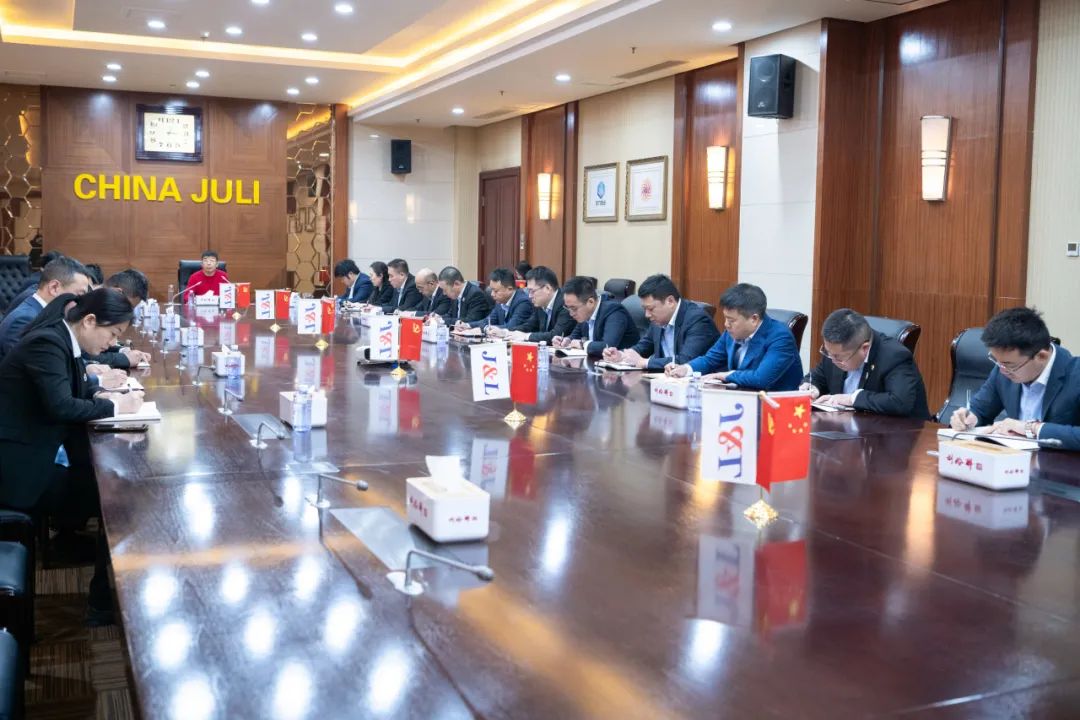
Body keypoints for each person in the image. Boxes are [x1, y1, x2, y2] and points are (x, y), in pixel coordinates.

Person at [0, 289, 144, 624]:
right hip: (17, 470)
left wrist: (102, 392)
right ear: (90, 321)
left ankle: (99, 590)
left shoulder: (63, 340)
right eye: (113, 334)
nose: (112, 344)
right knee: (117, 499)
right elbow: (61, 405)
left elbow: (73, 389)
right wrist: (114, 406)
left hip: (35, 453)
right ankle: (102, 602)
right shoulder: (48, 342)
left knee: (111, 485)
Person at [950, 307, 1080, 449]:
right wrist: (969, 418)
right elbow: (981, 409)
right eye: (996, 360)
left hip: (1058, 461)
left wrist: (1031, 428)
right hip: (1011, 458)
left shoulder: (1075, 374)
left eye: (1009, 365)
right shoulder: (1004, 367)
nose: (1002, 369)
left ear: (1041, 356)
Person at [666, 283, 802, 391]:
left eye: (731, 320)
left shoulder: (780, 337)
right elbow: (710, 360)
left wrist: (725, 375)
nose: (726, 324)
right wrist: (686, 369)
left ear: (754, 319)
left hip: (774, 408)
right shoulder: (732, 332)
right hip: (740, 401)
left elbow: (761, 378)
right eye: (726, 318)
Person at [802, 308, 930, 419]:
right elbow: (819, 376)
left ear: (864, 348)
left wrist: (852, 399)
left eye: (837, 357)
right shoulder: (835, 351)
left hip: (894, 433)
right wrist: (812, 388)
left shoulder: (895, 356)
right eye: (828, 352)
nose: (832, 359)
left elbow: (899, 402)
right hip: (844, 429)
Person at [603, 274, 719, 370]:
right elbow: (644, 346)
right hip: (665, 381)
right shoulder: (659, 319)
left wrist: (645, 362)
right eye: (645, 309)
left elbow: (686, 361)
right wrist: (622, 355)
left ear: (670, 301)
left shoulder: (697, 320)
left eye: (651, 309)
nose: (647, 315)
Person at [0, 256, 92, 360]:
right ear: (54, 288)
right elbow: (39, 364)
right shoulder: (25, 320)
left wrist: (88, 366)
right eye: (79, 296)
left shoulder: (49, 315)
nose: (81, 304)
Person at [84, 270, 153, 370]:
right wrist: (124, 359)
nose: (128, 314)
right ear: (117, 292)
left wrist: (122, 351)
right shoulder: (83, 301)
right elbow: (84, 354)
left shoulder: (96, 300)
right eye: (128, 307)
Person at [554, 276, 639, 356]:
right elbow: (574, 336)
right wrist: (566, 340)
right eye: (567, 307)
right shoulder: (585, 314)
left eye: (574, 308)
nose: (571, 313)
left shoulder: (614, 311)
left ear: (590, 302)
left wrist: (582, 344)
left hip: (624, 364)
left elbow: (607, 346)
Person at [507, 266, 575, 343]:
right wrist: (507, 332)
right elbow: (530, 326)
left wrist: (526, 336)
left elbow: (556, 335)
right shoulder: (540, 303)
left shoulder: (565, 303)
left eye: (532, 291)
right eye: (528, 291)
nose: (529, 296)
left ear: (547, 288)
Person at [461, 267, 536, 334]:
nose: (492, 294)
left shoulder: (523, 302)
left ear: (509, 289)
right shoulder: (500, 301)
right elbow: (488, 320)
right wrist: (467, 325)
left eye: (496, 291)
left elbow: (511, 327)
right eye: (491, 290)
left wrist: (484, 329)